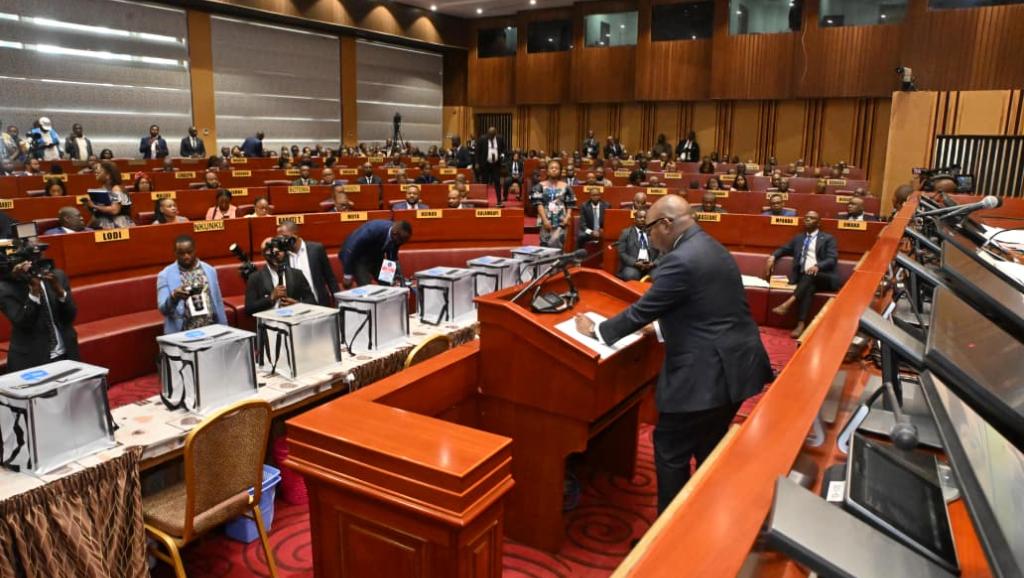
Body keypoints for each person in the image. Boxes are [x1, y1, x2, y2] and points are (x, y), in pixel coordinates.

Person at [574, 195, 773, 514]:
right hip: (737, 365)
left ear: (666, 225)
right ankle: (704, 517)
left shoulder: (679, 260)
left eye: (650, 228)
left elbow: (641, 312)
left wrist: (597, 331)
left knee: (671, 450)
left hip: (705, 375)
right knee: (710, 447)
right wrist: (661, 330)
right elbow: (706, 307)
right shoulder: (709, 245)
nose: (648, 236)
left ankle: (668, 530)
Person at [0, 250, 80, 370]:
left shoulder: (57, 276)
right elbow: (24, 323)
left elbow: (70, 316)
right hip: (32, 360)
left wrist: (60, 292)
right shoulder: (5, 288)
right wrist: (34, 293)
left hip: (66, 353)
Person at [765, 211, 840, 338]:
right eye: (806, 218)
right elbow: (784, 249)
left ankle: (788, 303)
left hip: (825, 277)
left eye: (812, 218)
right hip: (806, 279)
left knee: (809, 274)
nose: (808, 220)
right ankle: (801, 324)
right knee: (808, 287)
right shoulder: (799, 238)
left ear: (818, 222)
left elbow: (832, 259)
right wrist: (773, 256)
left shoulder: (828, 238)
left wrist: (818, 266)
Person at [156, 235, 227, 333]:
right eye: (181, 253)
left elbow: (218, 303)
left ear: (195, 250)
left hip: (210, 329)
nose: (186, 256)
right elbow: (163, 310)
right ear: (175, 253)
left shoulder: (210, 270)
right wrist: (174, 297)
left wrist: (225, 328)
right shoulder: (165, 275)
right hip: (183, 332)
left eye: (189, 252)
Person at [244, 237, 317, 315]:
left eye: (279, 250)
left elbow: (312, 301)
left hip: (294, 319)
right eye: (269, 250)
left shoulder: (297, 274)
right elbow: (249, 308)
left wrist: (297, 304)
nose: (276, 254)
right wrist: (271, 298)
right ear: (263, 254)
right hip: (269, 322)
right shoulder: (255, 278)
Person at [277, 221, 340, 307]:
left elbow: (330, 277)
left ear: (295, 235)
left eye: (285, 237)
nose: (282, 241)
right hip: (294, 306)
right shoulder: (282, 256)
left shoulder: (316, 249)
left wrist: (338, 300)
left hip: (320, 304)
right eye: (280, 238)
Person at [339, 220, 413, 286]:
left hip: (376, 255)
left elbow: (392, 255)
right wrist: (347, 274)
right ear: (395, 234)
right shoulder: (371, 231)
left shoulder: (399, 236)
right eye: (402, 241)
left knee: (388, 282)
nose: (402, 243)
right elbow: (350, 249)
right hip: (358, 257)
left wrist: (393, 275)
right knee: (366, 287)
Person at [530, 159, 576, 249]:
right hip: (545, 220)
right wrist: (544, 220)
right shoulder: (539, 186)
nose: (554, 170)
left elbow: (570, 204)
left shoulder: (566, 186)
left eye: (556, 168)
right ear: (547, 171)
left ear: (560, 171)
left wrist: (567, 217)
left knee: (558, 244)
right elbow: (539, 204)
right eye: (551, 168)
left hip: (561, 221)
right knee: (545, 245)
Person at [83, 161, 134, 229]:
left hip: (120, 225)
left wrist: (94, 206)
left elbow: (114, 210)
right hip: (104, 223)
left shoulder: (116, 189)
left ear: (108, 175)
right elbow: (98, 213)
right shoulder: (101, 190)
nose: (96, 173)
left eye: (100, 171)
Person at [616, 209, 659, 281]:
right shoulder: (626, 233)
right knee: (630, 275)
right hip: (633, 266)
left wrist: (653, 263)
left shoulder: (655, 233)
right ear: (635, 219)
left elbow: (662, 251)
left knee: (659, 275)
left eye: (645, 217)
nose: (642, 219)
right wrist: (635, 263)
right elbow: (621, 253)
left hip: (651, 266)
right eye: (640, 217)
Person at [476, 126, 506, 196]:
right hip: (485, 163)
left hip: (496, 164)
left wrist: (502, 156)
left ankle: (499, 200)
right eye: (489, 135)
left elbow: (504, 149)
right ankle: (483, 197)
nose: (491, 137)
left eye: (492, 135)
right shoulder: (482, 138)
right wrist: (477, 162)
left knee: (497, 181)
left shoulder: (500, 138)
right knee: (484, 182)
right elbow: (477, 151)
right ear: (487, 133)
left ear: (495, 134)